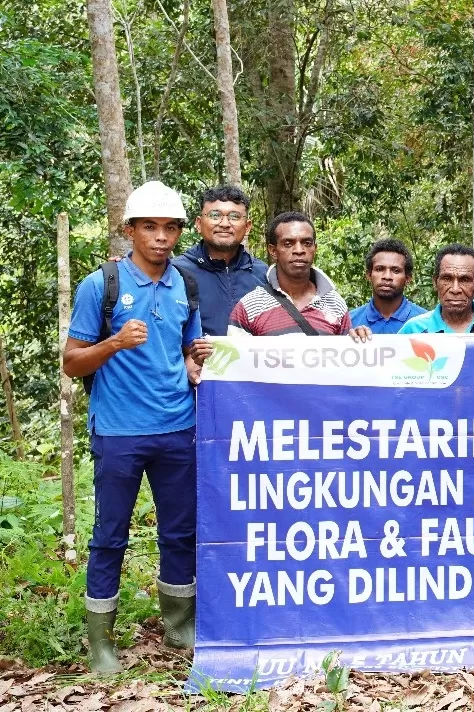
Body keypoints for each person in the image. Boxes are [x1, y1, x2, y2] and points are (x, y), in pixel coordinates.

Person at [61, 181, 213, 673]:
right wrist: (114, 344)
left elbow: (187, 351)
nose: (161, 237)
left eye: (170, 228)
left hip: (177, 425)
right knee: (110, 534)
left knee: (180, 532)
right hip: (119, 431)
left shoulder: (184, 285)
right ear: (130, 230)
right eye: (150, 226)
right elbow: (72, 363)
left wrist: (198, 357)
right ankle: (101, 642)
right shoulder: (100, 285)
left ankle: (178, 626)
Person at [227, 212, 370, 340]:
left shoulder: (335, 304)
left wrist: (357, 340)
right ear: (273, 250)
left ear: (315, 248)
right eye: (288, 243)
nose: (299, 250)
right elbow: (235, 364)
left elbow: (345, 363)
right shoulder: (250, 306)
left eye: (307, 243)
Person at [173, 185, 268, 336]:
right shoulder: (176, 271)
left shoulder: (263, 274)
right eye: (215, 215)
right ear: (198, 223)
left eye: (234, 217)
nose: (224, 224)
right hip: (193, 359)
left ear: (248, 226)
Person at [349, 238, 427, 334]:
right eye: (379, 269)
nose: (387, 276)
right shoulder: (350, 322)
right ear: (369, 275)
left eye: (396, 271)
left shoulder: (425, 323)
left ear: (407, 278)